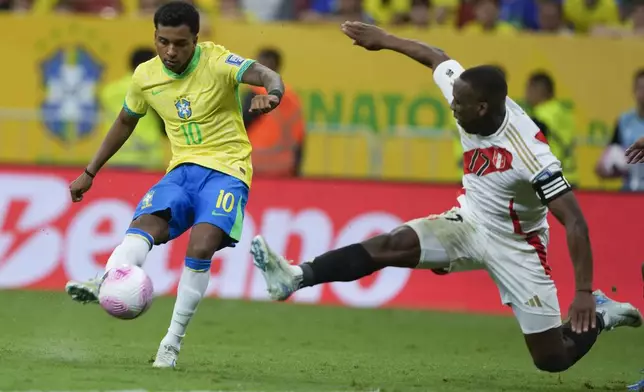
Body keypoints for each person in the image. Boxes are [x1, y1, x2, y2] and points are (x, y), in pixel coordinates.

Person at [251, 21, 642, 374]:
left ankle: (603, 315)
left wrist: (584, 293)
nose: (452, 105)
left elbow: (574, 220)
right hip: (469, 221)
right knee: (391, 245)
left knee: (551, 359)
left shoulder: (531, 154)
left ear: (483, 107)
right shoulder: (469, 95)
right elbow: (436, 56)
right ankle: (296, 276)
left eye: (459, 103)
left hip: (518, 245)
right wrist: (384, 40)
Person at [65, 1, 284, 369]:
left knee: (201, 244)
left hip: (227, 171)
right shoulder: (145, 76)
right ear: (154, 36)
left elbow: (265, 73)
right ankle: (107, 277)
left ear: (196, 40)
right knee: (141, 230)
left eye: (180, 44)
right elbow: (124, 121)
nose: (170, 50)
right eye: (163, 41)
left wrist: (272, 94)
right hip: (181, 171)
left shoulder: (217, 62)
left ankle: (171, 343)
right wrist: (90, 170)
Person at [242, 48, 305, 177]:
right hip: (286, 166)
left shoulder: (257, 92)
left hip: (256, 164)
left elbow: (240, 124)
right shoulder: (292, 96)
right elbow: (299, 134)